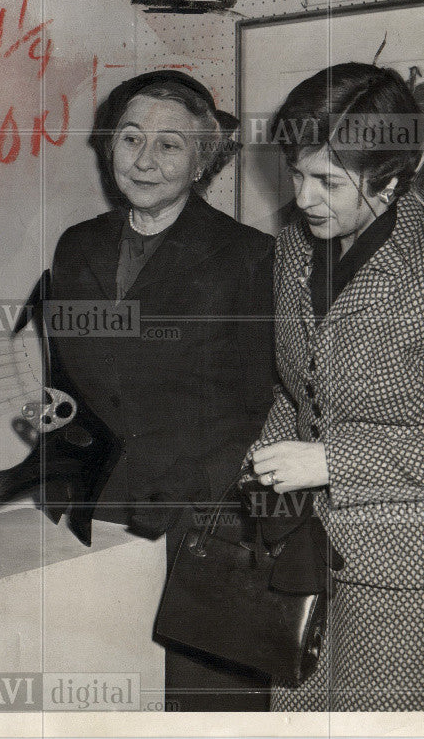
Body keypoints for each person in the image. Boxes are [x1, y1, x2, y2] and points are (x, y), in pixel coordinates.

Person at [245, 62, 424, 711]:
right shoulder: (293, 248)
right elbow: (300, 390)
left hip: (410, 574)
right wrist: (260, 473)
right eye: (296, 173)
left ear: (392, 180)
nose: (303, 196)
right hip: (299, 559)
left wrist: (330, 463)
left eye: (327, 181)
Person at [47, 70, 277, 711]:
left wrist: (200, 494)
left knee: (202, 704)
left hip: (204, 524)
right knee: (105, 697)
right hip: (97, 515)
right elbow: (64, 383)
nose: (144, 161)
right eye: (129, 139)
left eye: (170, 145)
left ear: (202, 160)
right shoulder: (77, 247)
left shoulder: (249, 257)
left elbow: (266, 402)